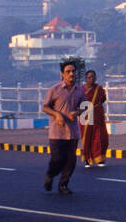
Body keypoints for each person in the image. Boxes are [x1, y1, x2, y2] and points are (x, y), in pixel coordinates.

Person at [41, 60, 87, 194]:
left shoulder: (80, 91)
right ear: (62, 74)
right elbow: (45, 107)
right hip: (57, 132)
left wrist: (77, 112)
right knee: (57, 159)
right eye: (68, 71)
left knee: (71, 161)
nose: (71, 74)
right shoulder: (54, 90)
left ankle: (63, 185)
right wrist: (57, 115)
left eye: (73, 71)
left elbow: (85, 107)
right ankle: (50, 175)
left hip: (72, 132)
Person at [80, 69, 108, 168]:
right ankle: (87, 159)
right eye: (89, 77)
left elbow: (103, 99)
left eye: (93, 77)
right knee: (87, 137)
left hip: (97, 114)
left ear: (95, 78)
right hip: (85, 113)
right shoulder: (81, 89)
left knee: (100, 136)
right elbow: (78, 101)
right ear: (86, 79)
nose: (91, 79)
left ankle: (100, 158)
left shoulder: (98, 88)